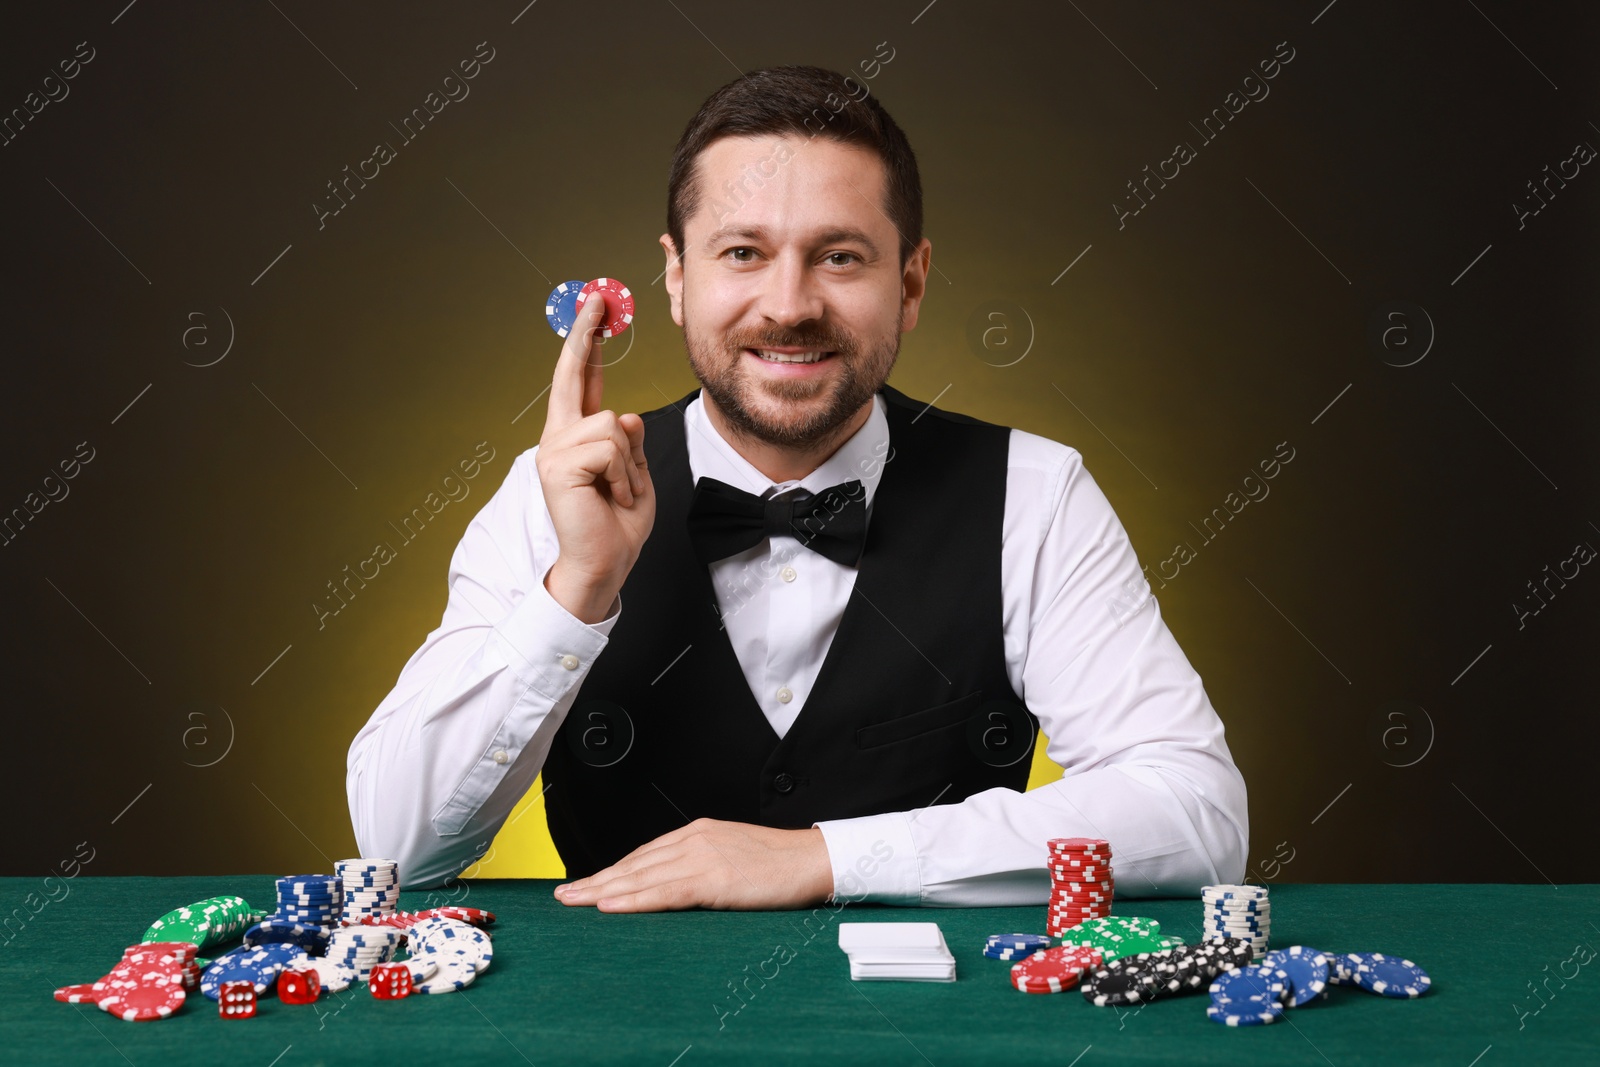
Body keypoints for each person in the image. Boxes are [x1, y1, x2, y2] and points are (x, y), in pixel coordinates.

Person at [347, 65, 1248, 911]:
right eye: (742, 252)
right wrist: (575, 591)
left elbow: (1196, 814)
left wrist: (826, 857)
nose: (788, 304)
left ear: (912, 282)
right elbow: (399, 848)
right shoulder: (549, 495)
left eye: (841, 257)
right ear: (675, 277)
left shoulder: (1035, 492)